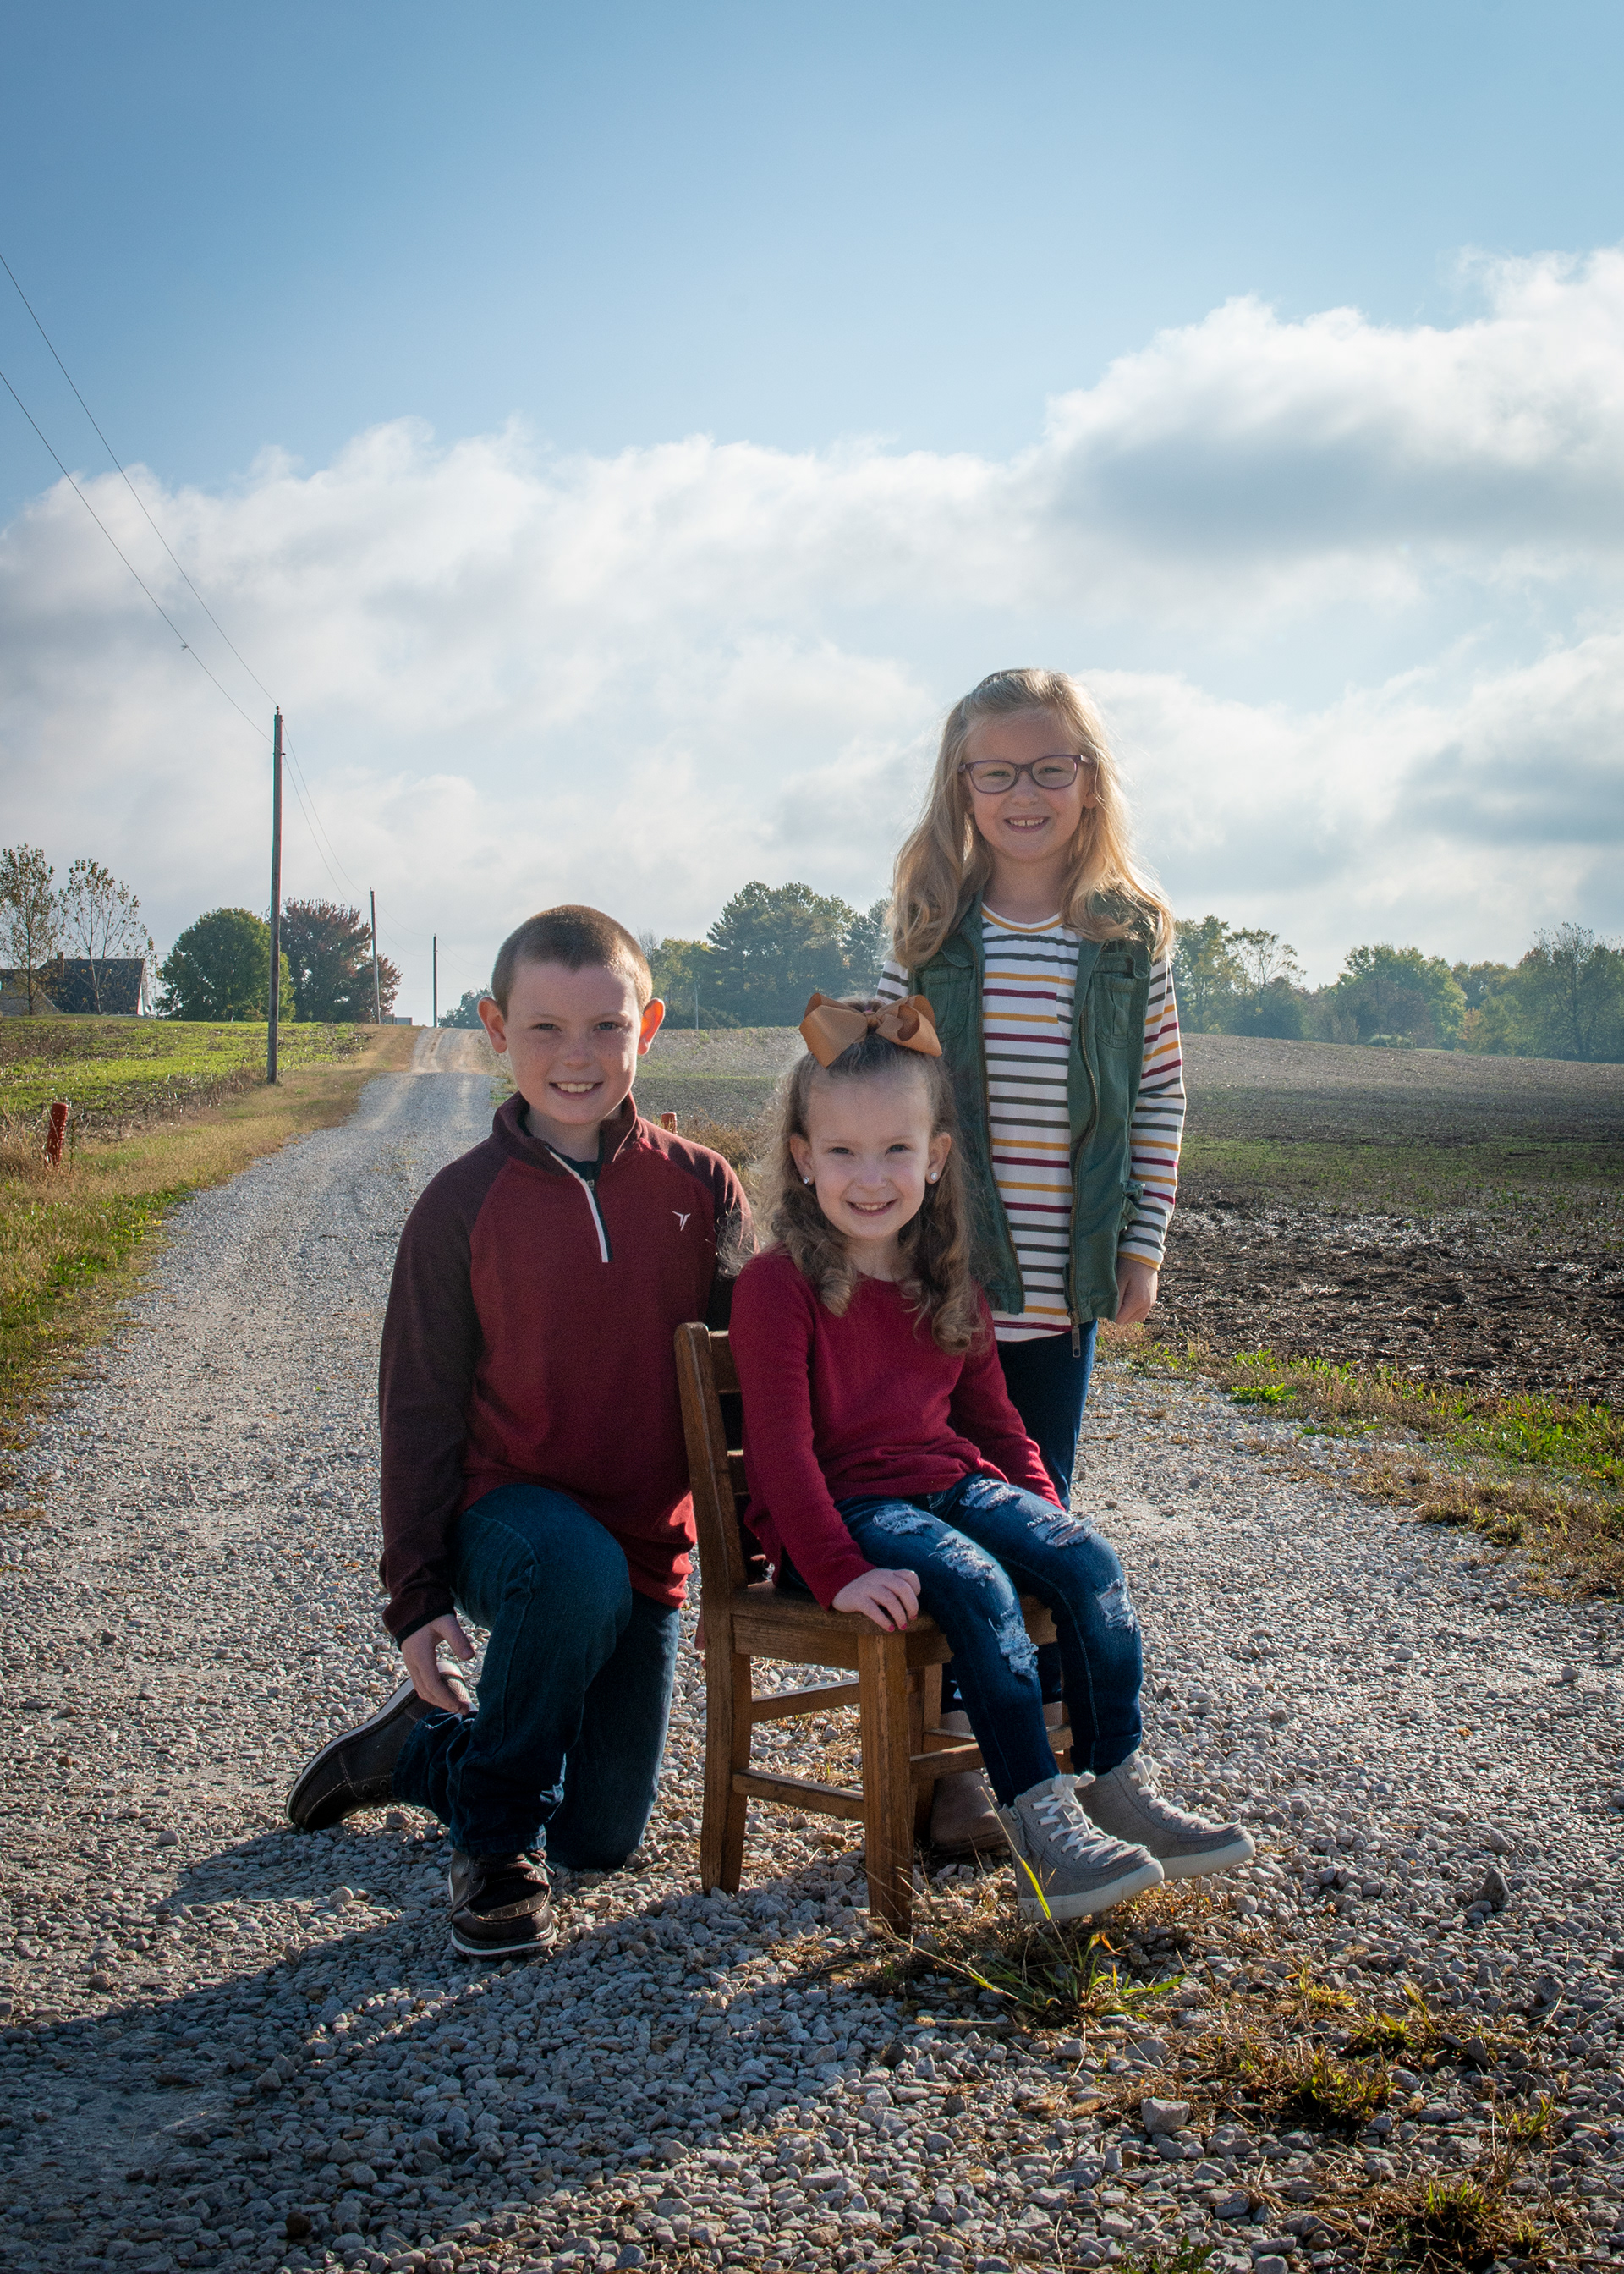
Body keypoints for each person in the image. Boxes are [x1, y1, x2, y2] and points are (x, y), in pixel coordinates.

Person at [286, 906, 748, 1958]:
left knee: (600, 1837)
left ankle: (419, 1754)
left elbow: (740, 1387)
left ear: (648, 1028)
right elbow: (416, 1410)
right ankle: (492, 1849)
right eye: (545, 1028)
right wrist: (416, 1596)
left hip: (644, 1546)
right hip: (504, 1521)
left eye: (606, 1027)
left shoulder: (702, 1186)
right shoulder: (460, 1205)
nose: (577, 1057)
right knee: (572, 1570)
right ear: (497, 1029)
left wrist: (760, 1548)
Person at [728, 995, 1251, 1920]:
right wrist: (840, 1571)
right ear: (803, 1158)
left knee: (1086, 1560)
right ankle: (1041, 1831)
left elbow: (998, 1425)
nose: (871, 1177)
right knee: (978, 1585)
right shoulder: (781, 1285)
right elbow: (780, 1456)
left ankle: (1114, 1782)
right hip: (843, 1517)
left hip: (944, 1487)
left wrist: (1050, 1515)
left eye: (896, 1149)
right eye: (843, 1152)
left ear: (936, 1157)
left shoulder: (945, 1274)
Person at [875, 667, 1187, 1853]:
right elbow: (882, 1087)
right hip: (943, 1286)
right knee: (959, 1533)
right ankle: (957, 1776)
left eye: (1050, 769)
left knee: (1042, 1520)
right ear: (961, 786)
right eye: (997, 771)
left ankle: (1051, 1759)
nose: (1024, 793)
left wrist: (1143, 1246)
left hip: (1062, 1292)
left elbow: (1158, 1098)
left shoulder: (1129, 937)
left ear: (1088, 781)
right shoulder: (931, 927)